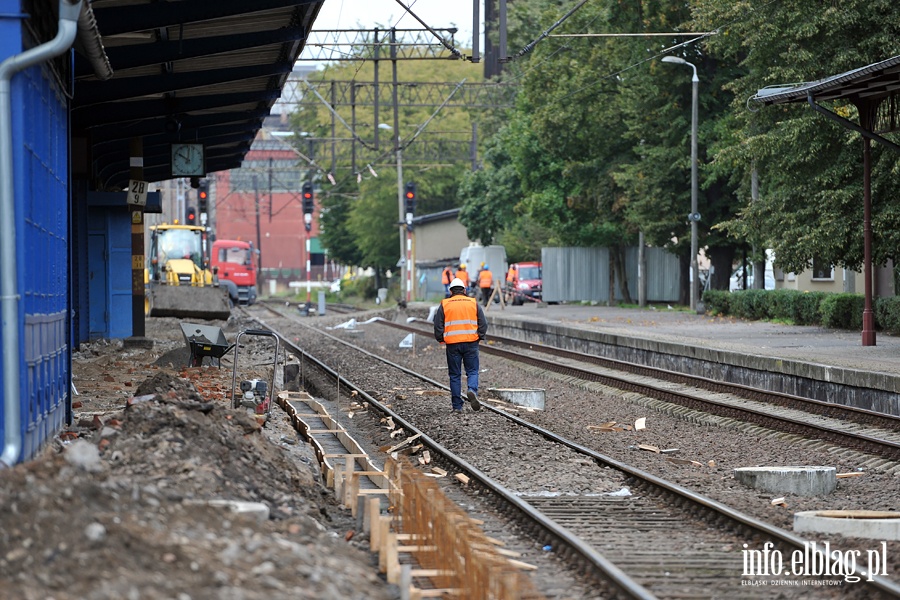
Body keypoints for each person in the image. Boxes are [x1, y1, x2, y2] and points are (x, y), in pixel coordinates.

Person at [433, 278, 487, 413]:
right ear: (464, 290)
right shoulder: (473, 303)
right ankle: (471, 390)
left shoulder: (445, 304)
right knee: (472, 371)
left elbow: (438, 325)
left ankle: (457, 406)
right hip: (471, 343)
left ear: (450, 291)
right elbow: (483, 323)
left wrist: (441, 339)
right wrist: (480, 337)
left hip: (452, 345)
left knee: (455, 375)